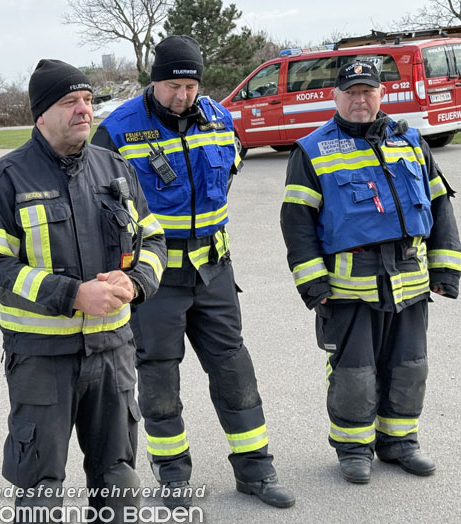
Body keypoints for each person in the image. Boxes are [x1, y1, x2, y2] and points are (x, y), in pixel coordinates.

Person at [92, 35, 294, 509]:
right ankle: (174, 478)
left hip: (215, 270)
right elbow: (98, 204)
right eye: (172, 86)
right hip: (156, 276)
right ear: (153, 80)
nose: (182, 96)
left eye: (190, 85)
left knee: (234, 368)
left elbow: (233, 164)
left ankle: (256, 470)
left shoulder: (218, 116)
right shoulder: (118, 129)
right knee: (160, 377)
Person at [0, 59, 167, 523]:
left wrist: (135, 282)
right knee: (40, 485)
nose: (84, 110)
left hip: (112, 351)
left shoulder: (115, 169)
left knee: (118, 476)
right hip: (41, 358)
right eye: (70, 102)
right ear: (41, 115)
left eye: (87, 100)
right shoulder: (6, 179)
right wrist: (71, 295)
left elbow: (154, 239)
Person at [280, 61, 461, 484]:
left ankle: (400, 443)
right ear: (336, 97)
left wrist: (446, 267)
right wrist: (313, 284)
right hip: (348, 289)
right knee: (354, 374)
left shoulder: (412, 142)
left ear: (381, 95)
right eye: (351, 93)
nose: (360, 100)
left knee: (409, 366)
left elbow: (440, 205)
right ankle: (353, 448)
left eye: (368, 92)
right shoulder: (312, 150)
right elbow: (297, 222)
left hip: (410, 281)